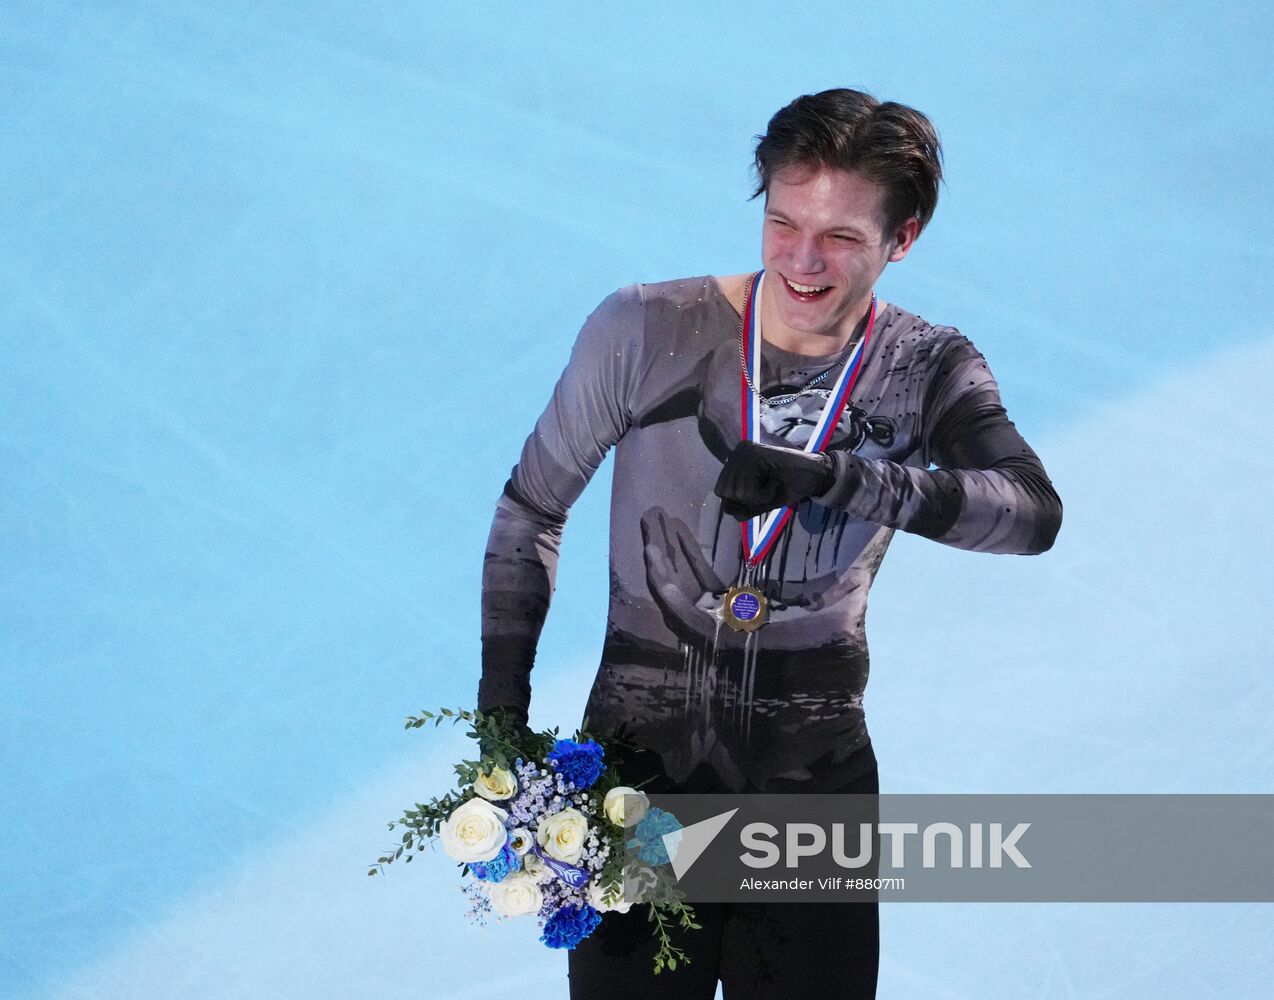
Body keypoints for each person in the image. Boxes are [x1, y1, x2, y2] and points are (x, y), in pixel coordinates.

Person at [476, 88, 1062, 998]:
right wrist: (501, 711)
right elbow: (529, 510)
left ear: (902, 239)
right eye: (784, 221)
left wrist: (836, 476)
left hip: (812, 805)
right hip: (638, 795)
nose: (802, 258)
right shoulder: (645, 330)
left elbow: (1031, 515)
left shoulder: (927, 369)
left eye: (841, 238)